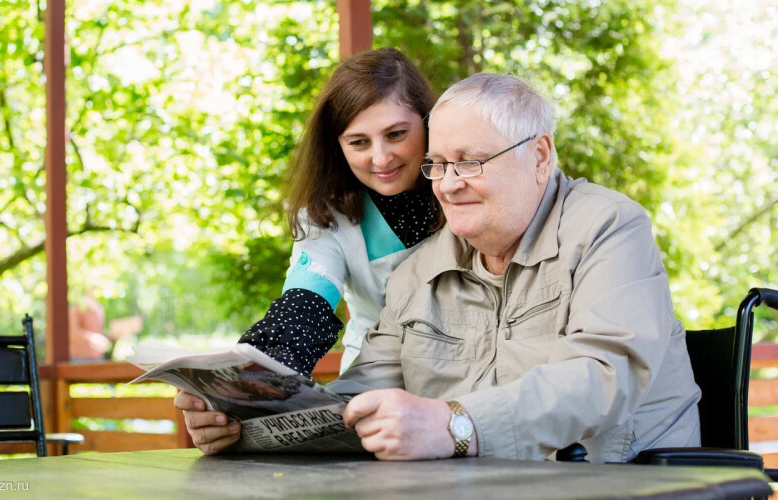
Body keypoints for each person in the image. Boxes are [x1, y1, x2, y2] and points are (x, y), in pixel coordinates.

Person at [177, 73, 701, 462]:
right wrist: (246, 422)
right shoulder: (418, 268)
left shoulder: (608, 226)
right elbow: (359, 399)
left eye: (471, 162)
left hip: (625, 485)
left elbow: (606, 374)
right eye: (439, 164)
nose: (447, 184)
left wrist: (455, 425)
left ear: (540, 155)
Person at [236, 48, 439, 378]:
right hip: (377, 382)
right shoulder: (325, 215)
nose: (382, 158)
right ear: (337, 146)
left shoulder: (468, 185)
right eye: (359, 142)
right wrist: (256, 374)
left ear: (429, 123)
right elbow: (306, 304)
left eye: (396, 134)